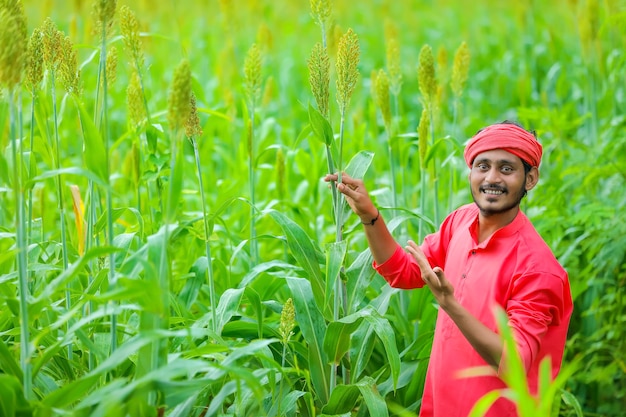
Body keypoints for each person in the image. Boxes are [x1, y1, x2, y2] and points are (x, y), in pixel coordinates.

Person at [324, 121, 573, 417]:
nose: (491, 178)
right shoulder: (461, 222)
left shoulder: (537, 269)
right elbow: (403, 272)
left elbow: (514, 363)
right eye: (483, 166)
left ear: (530, 179)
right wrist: (370, 216)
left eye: (506, 169)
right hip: (441, 406)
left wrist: (450, 304)